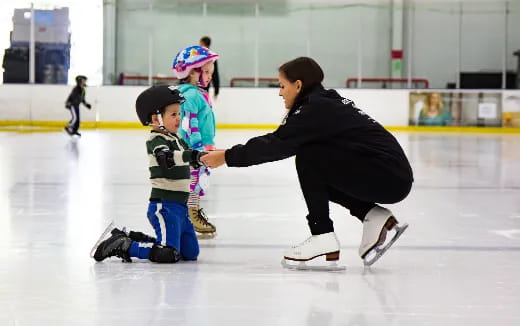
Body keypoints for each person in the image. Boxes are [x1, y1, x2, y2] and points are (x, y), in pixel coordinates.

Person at [201, 57, 414, 268]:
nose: (280, 92)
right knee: (319, 176)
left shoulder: (316, 108)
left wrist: (227, 157)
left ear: (298, 85)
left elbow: (276, 144)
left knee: (309, 156)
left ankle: (322, 235)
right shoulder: (323, 101)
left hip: (388, 175)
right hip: (390, 174)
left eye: (282, 86)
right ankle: (371, 214)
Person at [91, 85, 206, 263]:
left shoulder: (177, 139)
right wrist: (192, 155)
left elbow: (191, 156)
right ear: (155, 118)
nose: (179, 118)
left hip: (180, 208)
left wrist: (205, 157)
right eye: (173, 114)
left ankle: (132, 236)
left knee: (190, 253)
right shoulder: (156, 140)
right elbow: (165, 158)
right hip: (165, 207)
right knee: (168, 254)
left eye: (179, 113)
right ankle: (124, 245)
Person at [172, 45, 219, 236]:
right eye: (206, 72)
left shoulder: (197, 93)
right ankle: (191, 215)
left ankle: (191, 213)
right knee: (194, 181)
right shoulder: (191, 94)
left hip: (201, 145)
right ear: (191, 73)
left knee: (197, 180)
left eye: (211, 73)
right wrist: (197, 146)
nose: (209, 77)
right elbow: (188, 123)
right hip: (194, 147)